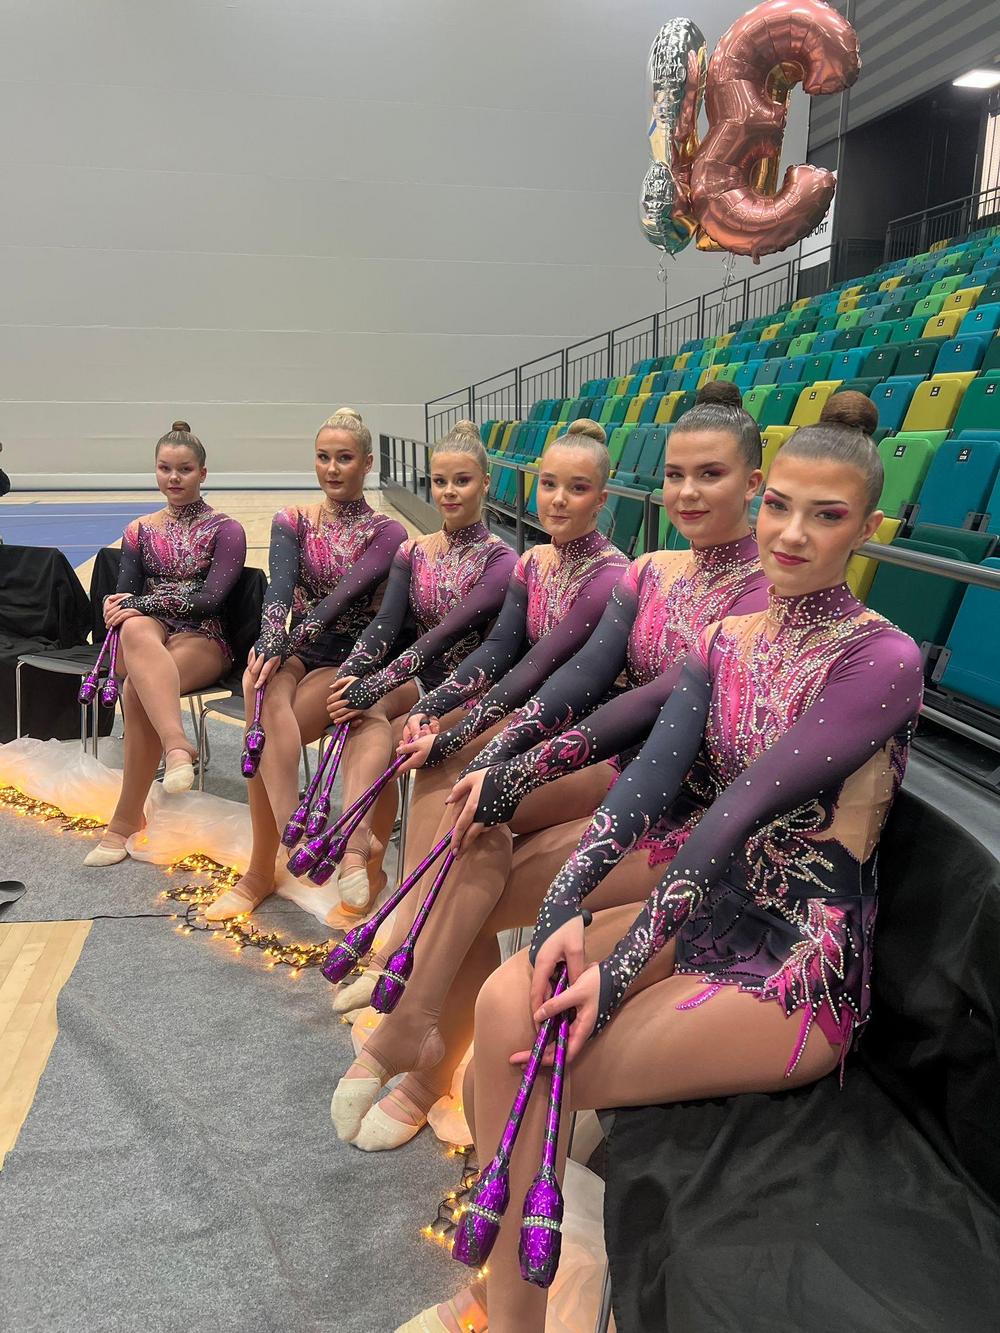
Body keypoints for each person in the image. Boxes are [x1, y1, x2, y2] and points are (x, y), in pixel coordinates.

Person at [403, 392, 923, 1333]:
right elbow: (644, 783)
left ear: (869, 528)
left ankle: (506, 1312)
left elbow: (737, 809)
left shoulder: (881, 659)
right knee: (508, 996)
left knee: (536, 1060)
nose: (792, 533)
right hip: (705, 912)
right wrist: (562, 910)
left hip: (791, 965)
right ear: (763, 500)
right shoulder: (727, 640)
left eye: (827, 515)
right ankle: (505, 1282)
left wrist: (619, 966)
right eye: (782, 507)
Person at [332, 384, 771, 1151]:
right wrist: (496, 757)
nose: (688, 492)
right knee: (473, 819)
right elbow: (582, 673)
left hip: (690, 823)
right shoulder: (653, 570)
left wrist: (513, 767)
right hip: (624, 773)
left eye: (711, 474)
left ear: (753, 484)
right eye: (676, 474)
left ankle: (416, 1025)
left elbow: (656, 699)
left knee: (477, 851)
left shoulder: (762, 594)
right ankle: (421, 1033)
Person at [206, 409, 407, 922]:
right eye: (323, 457)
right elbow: (279, 587)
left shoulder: (387, 532)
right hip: (300, 649)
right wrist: (271, 640)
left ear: (367, 463)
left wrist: (287, 640)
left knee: (267, 730)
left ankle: (267, 866)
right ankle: (290, 837)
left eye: (345, 458)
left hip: (353, 656)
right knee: (259, 685)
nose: (332, 469)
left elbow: (342, 598)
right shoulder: (291, 519)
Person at [322, 421, 518, 912]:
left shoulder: (502, 560)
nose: (448, 492)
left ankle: (372, 863)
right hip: (423, 679)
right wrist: (354, 673)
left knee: (395, 736)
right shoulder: (413, 551)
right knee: (360, 712)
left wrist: (379, 683)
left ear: (486, 483)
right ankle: (358, 846)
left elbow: (448, 633)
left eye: (462, 481)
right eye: (440, 481)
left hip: (473, 690)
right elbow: (387, 624)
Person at [84, 422, 247, 867]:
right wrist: (117, 605)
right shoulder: (139, 529)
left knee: (137, 689)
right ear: (155, 470)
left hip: (201, 637)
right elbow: (124, 595)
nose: (174, 478)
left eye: (184, 469)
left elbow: (210, 599)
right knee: (137, 630)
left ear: (202, 473)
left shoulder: (226, 529)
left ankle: (124, 821)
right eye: (165, 468)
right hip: (146, 638)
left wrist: (139, 602)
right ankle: (177, 743)